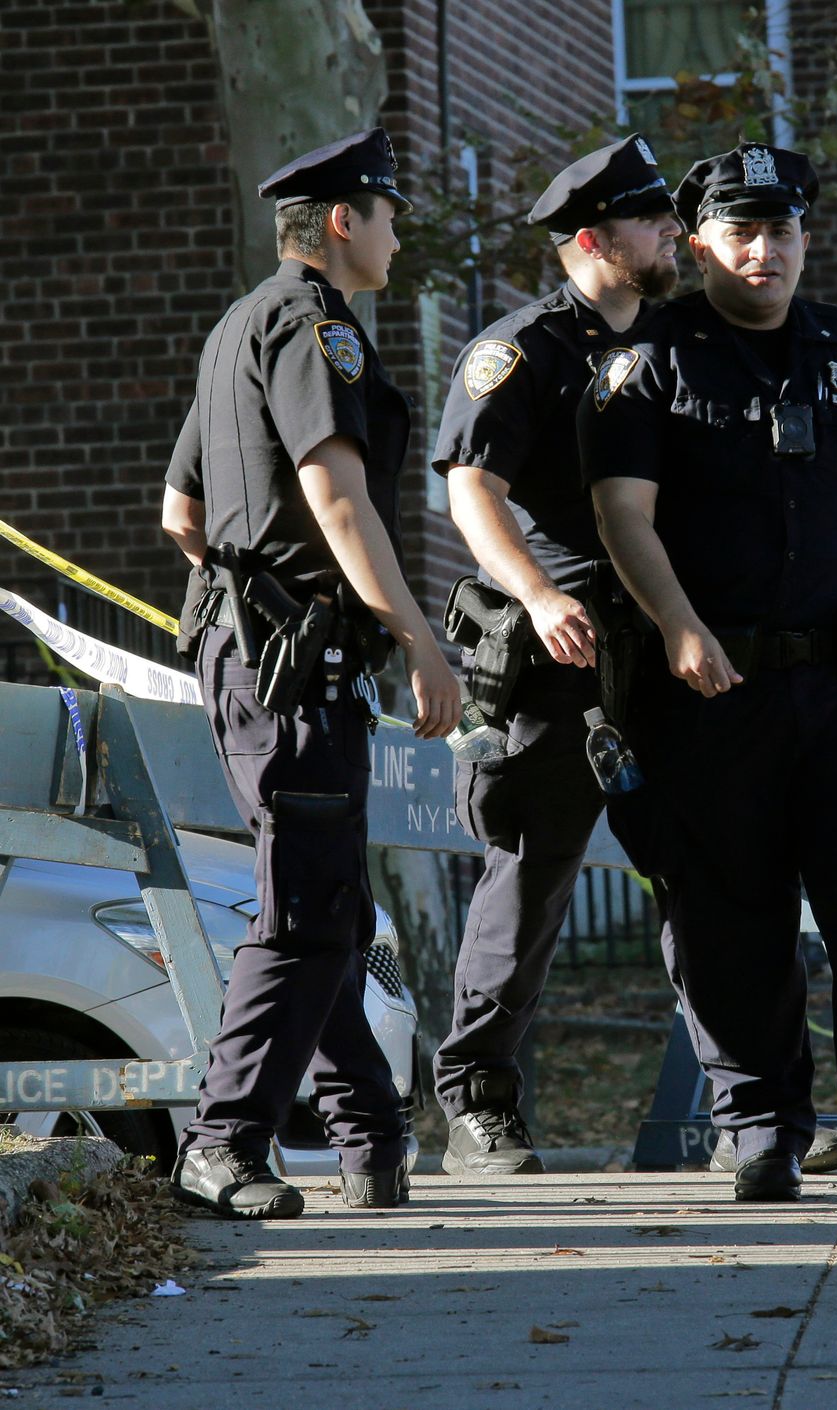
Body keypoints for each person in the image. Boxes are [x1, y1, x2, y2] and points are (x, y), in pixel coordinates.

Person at [429, 134, 837, 1180]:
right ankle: (477, 1105)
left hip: (680, 648)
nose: (674, 231)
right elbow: (468, 486)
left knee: (710, 879)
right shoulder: (521, 351)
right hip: (568, 651)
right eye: (652, 219)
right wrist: (531, 595)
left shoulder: (680, 335)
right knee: (533, 873)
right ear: (591, 238)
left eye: (672, 217)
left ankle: (746, 1114)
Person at [577, 143, 837, 1202]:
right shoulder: (649, 358)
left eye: (782, 229)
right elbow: (622, 513)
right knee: (726, 909)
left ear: (806, 238)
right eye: (741, 231)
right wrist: (677, 623)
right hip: (714, 690)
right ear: (697, 243)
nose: (765, 249)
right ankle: (760, 1127)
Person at [159, 128, 460, 1218]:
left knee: (326, 903)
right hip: (297, 672)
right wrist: (419, 642)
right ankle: (221, 1143)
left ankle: (370, 1136)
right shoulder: (311, 325)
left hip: (256, 662)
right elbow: (340, 501)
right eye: (386, 212)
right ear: (343, 221)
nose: (397, 232)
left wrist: (253, 594)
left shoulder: (240, 323)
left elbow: (180, 514)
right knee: (306, 914)